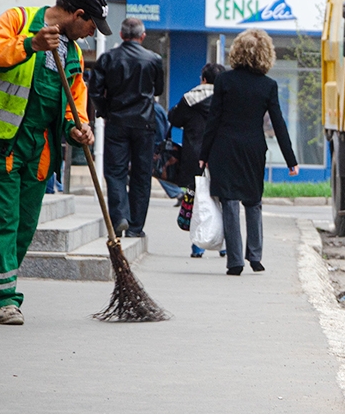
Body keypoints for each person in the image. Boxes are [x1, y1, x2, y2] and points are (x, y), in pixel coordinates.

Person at [0, 0, 105, 325]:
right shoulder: (19, 20)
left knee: (24, 227)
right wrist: (30, 44)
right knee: (3, 222)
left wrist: (78, 126)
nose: (91, 34)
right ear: (78, 15)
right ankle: (3, 299)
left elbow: (75, 97)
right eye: (91, 26)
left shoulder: (71, 53)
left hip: (39, 151)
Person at [199, 28, 298, 276]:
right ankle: (255, 256)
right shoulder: (268, 86)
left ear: (238, 52)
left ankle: (235, 261)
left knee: (230, 201)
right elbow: (279, 123)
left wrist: (203, 154)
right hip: (254, 148)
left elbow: (214, 120)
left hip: (225, 146)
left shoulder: (224, 81)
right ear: (266, 54)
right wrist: (291, 160)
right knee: (253, 200)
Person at [90, 17, 165, 238]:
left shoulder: (108, 58)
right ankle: (135, 227)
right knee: (142, 175)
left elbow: (94, 91)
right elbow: (158, 88)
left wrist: (104, 111)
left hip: (117, 121)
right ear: (142, 36)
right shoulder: (153, 59)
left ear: (121, 35)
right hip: (144, 123)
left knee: (115, 172)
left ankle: (119, 216)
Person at [169, 62, 226, 258]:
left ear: (203, 79)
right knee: (223, 199)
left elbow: (174, 119)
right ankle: (225, 245)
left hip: (195, 156)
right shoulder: (227, 99)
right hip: (221, 155)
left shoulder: (190, 98)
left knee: (198, 198)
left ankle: (198, 246)